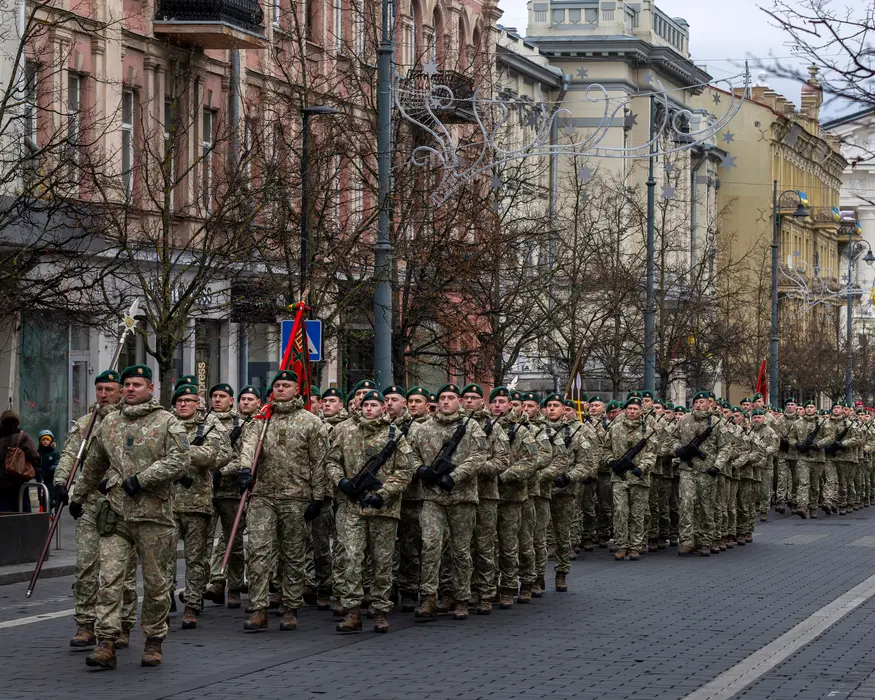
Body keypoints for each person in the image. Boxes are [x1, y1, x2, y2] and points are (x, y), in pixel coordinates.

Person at [71, 364, 190, 669]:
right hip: (117, 513)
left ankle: (153, 640)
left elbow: (180, 460)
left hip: (154, 515)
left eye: (137, 384)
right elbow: (95, 463)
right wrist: (78, 495)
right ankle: (106, 642)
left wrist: (143, 478)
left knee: (155, 583)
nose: (130, 389)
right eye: (126, 385)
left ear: (151, 388)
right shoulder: (109, 423)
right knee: (109, 578)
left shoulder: (167, 421)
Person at [53, 370, 138, 649]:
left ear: (121, 392)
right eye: (99, 389)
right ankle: (85, 623)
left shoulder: (133, 423)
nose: (103, 395)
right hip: (89, 503)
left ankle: (123, 624)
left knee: (120, 571)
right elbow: (70, 455)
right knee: (86, 566)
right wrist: (61, 482)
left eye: (109, 390)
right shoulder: (85, 424)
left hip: (122, 504)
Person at [239, 369, 328, 633]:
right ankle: (258, 608)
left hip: (296, 496)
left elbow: (319, 462)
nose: (280, 389)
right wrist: (245, 469)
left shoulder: (311, 422)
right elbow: (248, 445)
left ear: (297, 390)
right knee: (257, 551)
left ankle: (290, 607)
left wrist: (318, 496)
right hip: (264, 495)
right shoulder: (262, 418)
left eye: (286, 385)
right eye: (277, 385)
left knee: (293, 555)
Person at [326, 389, 414, 633]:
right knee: (352, 558)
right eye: (366, 405)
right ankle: (352, 610)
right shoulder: (344, 430)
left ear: (383, 408)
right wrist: (341, 481)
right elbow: (331, 461)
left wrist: (383, 494)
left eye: (374, 405)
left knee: (382, 561)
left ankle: (380, 609)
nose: (369, 409)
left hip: (383, 509)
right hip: (351, 507)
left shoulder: (395, 435)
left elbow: (405, 471)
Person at [412, 383, 486, 621]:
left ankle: (461, 598)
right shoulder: (424, 429)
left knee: (461, 550)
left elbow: (478, 456)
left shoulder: (471, 427)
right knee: (431, 545)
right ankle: (429, 597)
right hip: (432, 497)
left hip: (461, 497)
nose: (445, 401)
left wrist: (455, 477)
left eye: (451, 397)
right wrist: (421, 469)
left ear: (459, 402)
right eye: (442, 397)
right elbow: (408, 454)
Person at [169, 384, 232, 629]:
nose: (183, 404)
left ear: (198, 403)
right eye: (179, 401)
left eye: (188, 400)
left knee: (196, 559)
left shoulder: (210, 427)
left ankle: (192, 604)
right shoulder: (165, 424)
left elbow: (221, 455)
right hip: (167, 504)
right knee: (164, 559)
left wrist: (184, 452)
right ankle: (164, 600)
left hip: (197, 504)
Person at [205, 385, 261, 608]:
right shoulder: (204, 422)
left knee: (234, 541)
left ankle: (235, 586)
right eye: (214, 396)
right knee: (205, 542)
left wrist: (222, 471)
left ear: (230, 399)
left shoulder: (242, 424)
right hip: (207, 493)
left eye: (222, 396)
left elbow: (244, 457)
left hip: (231, 492)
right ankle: (213, 583)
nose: (217, 400)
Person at [607, 396, 657, 561]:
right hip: (619, 478)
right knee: (620, 512)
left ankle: (635, 546)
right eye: (629, 409)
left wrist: (641, 468)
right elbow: (605, 449)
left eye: (635, 409)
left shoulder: (648, 431)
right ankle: (622, 545)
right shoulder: (615, 429)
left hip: (639, 478)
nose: (632, 411)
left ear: (641, 411)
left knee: (637, 514)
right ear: (625, 411)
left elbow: (651, 453)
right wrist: (611, 461)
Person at [0, 410, 39, 513]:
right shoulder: (22, 436)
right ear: (17, 421)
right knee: (22, 507)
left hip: (2, 482)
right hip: (19, 478)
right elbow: (33, 454)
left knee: (4, 510)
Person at [37, 430, 60, 509]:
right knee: (41, 497)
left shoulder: (54, 453)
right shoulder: (39, 453)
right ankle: (43, 510)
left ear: (51, 441)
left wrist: (54, 466)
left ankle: (51, 510)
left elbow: (57, 461)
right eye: (43, 440)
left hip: (50, 478)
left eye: (47, 440)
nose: (45, 441)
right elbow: (35, 462)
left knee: (50, 496)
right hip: (40, 479)